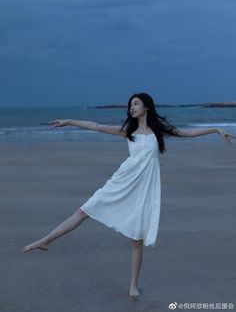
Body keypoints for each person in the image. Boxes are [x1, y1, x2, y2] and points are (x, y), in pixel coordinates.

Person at [22, 92, 235, 297]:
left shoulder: (158, 131)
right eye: (130, 105)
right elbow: (96, 126)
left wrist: (217, 129)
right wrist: (69, 121)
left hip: (144, 188)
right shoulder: (128, 131)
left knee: (136, 239)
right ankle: (46, 240)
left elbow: (187, 133)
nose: (131, 107)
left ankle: (133, 285)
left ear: (146, 107)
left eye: (135, 104)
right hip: (122, 181)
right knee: (84, 210)